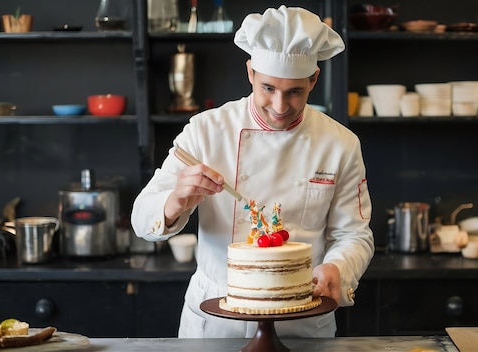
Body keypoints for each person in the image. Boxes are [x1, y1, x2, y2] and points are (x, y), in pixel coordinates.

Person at [131, 5, 374, 338]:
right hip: (216, 321)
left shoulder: (340, 144)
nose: (279, 107)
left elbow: (354, 234)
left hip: (300, 322)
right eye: (268, 89)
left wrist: (337, 267)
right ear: (250, 73)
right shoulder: (205, 131)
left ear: (314, 79)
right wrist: (175, 201)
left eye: (295, 92)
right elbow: (141, 220)